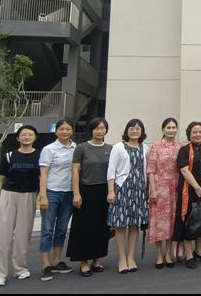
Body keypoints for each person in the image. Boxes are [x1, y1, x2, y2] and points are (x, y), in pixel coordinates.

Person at [0, 125, 40, 288]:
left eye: (30, 134)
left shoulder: (40, 156)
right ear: (18, 138)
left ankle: (20, 268)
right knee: (2, 235)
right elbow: (0, 179)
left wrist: (41, 197)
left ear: (35, 137)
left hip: (29, 196)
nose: (26, 137)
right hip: (8, 195)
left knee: (23, 235)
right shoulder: (9, 156)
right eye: (23, 135)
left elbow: (43, 178)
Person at [66, 117, 112, 276]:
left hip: (104, 191)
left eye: (102, 128)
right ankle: (84, 262)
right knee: (84, 227)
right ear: (91, 130)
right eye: (96, 128)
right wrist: (76, 193)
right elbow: (75, 171)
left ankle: (97, 260)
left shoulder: (110, 148)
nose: (99, 131)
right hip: (86, 190)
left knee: (101, 227)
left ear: (106, 130)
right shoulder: (81, 148)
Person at [107, 119, 149, 273]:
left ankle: (131, 257)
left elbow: (147, 171)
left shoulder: (145, 148)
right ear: (127, 130)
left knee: (134, 224)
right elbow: (111, 170)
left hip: (139, 190)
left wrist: (147, 190)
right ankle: (122, 258)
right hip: (122, 188)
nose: (134, 131)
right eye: (131, 128)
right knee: (120, 225)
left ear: (142, 131)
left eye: (138, 128)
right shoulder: (118, 147)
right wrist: (111, 191)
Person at [172, 121, 201, 269]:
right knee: (188, 221)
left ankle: (199, 251)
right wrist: (196, 187)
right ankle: (189, 254)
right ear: (189, 134)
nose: (198, 134)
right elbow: (184, 170)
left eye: (200, 132)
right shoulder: (184, 150)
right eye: (195, 132)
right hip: (188, 190)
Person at [38, 120, 77, 282]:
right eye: (61, 129)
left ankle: (57, 261)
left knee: (61, 229)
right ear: (56, 132)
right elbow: (43, 173)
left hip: (68, 193)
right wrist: (43, 195)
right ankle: (46, 265)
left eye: (68, 129)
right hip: (52, 192)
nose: (64, 132)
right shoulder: (49, 149)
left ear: (72, 131)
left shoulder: (76, 148)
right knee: (47, 229)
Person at [148, 117, 182, 269]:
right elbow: (150, 170)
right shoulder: (156, 146)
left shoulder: (180, 146)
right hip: (159, 189)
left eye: (173, 127)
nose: (171, 130)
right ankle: (159, 254)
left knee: (171, 221)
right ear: (163, 129)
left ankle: (168, 254)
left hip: (174, 188)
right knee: (159, 222)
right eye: (168, 127)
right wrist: (152, 189)